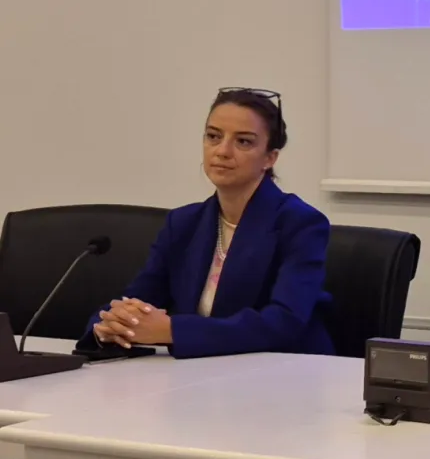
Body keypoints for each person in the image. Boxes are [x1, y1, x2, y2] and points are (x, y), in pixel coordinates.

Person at [78, 88, 335, 359]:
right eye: (213, 136)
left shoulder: (301, 223)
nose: (222, 151)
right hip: (200, 371)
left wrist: (172, 331)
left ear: (270, 158)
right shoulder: (183, 223)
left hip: (286, 371)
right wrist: (109, 326)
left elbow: (283, 322)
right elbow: (138, 299)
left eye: (243, 142)